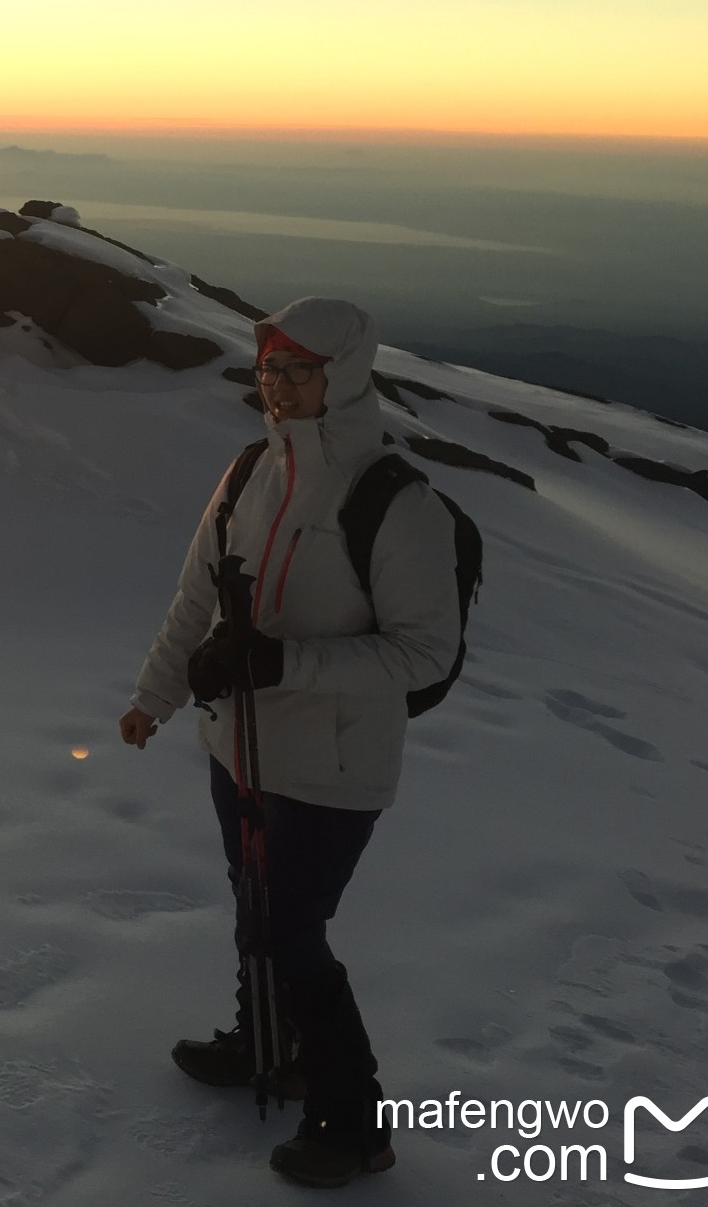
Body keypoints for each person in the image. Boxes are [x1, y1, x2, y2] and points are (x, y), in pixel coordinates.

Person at [118, 297, 461, 1188]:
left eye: (298, 372)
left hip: (334, 765)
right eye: (269, 370)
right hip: (238, 747)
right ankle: (270, 1045)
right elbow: (195, 598)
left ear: (342, 377)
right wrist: (154, 697)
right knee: (254, 912)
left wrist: (281, 663)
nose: (278, 388)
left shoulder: (394, 501)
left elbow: (424, 652)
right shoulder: (248, 472)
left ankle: (354, 1122)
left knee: (292, 933)